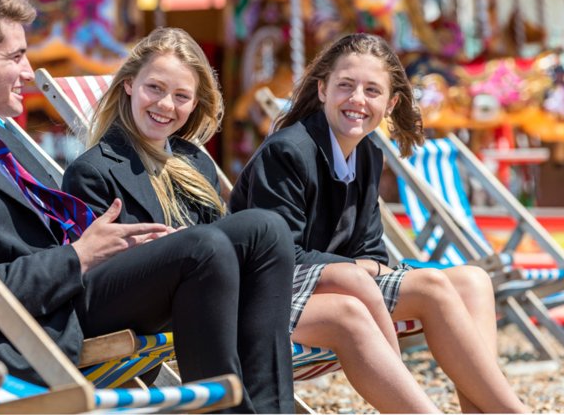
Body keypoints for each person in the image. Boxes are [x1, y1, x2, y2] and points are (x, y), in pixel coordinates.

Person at [0, 0, 296, 414]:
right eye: (16, 56)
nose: (29, 73)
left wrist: (109, 250)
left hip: (78, 287)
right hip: (43, 318)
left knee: (264, 230)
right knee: (202, 247)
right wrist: (80, 255)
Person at [64, 27, 444, 413]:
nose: (165, 105)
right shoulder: (93, 170)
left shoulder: (193, 163)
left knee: (273, 241)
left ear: (195, 104)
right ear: (129, 85)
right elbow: (102, 269)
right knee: (266, 226)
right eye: (155, 89)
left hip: (210, 294)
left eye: (181, 96)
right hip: (143, 306)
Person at [231, 32, 528, 415]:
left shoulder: (368, 154)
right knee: (434, 286)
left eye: (372, 90)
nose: (357, 99)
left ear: (391, 103)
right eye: (345, 86)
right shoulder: (288, 151)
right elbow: (281, 255)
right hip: (272, 293)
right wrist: (358, 269)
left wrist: (361, 268)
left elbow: (372, 251)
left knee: (474, 281)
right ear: (322, 90)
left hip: (339, 283)